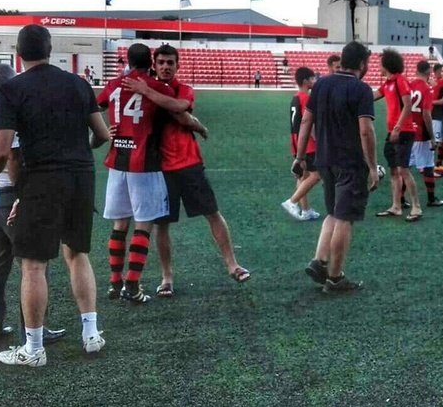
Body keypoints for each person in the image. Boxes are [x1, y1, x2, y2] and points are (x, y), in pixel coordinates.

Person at [0, 24, 110, 367]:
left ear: (18, 53)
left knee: (33, 264)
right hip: (82, 176)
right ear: (50, 49)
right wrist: (77, 150)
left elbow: (0, 149)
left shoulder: (12, 89)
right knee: (78, 253)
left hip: (42, 179)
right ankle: (91, 335)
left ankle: (34, 349)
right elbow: (102, 134)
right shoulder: (77, 82)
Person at [123, 44, 251, 296]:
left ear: (177, 66)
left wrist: (148, 90)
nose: (165, 67)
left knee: (212, 213)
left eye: (170, 62)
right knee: (163, 225)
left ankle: (232, 264)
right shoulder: (146, 92)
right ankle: (166, 277)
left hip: (189, 163)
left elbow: (180, 111)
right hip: (159, 169)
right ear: (154, 65)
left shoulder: (181, 89)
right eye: (161, 62)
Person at [0, 64, 65, 345]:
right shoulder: (12, 110)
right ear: (10, 85)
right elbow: (13, 154)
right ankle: (33, 331)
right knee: (33, 264)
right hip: (9, 194)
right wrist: (23, 191)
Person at [98, 43, 185, 304]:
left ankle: (115, 283)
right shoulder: (155, 86)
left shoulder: (114, 84)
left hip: (117, 163)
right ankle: (133, 285)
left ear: (127, 60)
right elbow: (178, 109)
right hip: (144, 164)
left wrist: (106, 130)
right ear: (151, 62)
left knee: (119, 224)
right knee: (144, 225)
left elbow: (93, 106)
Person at [294, 41, 378, 293]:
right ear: (362, 64)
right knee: (344, 218)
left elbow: (306, 120)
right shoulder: (361, 89)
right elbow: (365, 130)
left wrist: (299, 157)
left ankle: (319, 261)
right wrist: (373, 167)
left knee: (332, 212)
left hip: (324, 159)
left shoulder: (321, 84)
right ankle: (335, 277)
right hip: (350, 163)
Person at [373, 49, 422, 222]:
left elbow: (407, 105)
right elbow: (372, 96)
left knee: (403, 169)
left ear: (387, 65)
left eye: (380, 63)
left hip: (404, 131)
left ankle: (416, 206)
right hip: (392, 132)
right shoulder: (387, 84)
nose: (378, 67)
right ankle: (396, 206)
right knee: (394, 170)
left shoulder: (400, 81)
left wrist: (398, 127)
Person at [282, 67, 321, 221]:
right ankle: (292, 201)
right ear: (306, 81)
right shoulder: (306, 98)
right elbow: (308, 122)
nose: (314, 81)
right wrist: (317, 140)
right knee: (316, 175)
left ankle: (305, 210)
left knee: (303, 175)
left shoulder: (295, 97)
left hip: (295, 139)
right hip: (307, 142)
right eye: (312, 79)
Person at [408, 61, 443, 207]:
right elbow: (426, 114)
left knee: (405, 167)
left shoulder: (409, 86)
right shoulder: (426, 89)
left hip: (408, 131)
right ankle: (431, 199)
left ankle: (402, 200)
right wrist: (432, 137)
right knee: (428, 165)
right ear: (429, 73)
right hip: (421, 134)